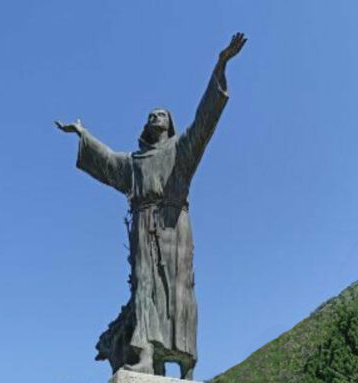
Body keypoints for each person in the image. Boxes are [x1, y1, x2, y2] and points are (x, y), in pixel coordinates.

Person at [55, 33, 247, 380]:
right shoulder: (136, 162)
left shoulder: (181, 151)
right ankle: (145, 353)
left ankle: (186, 362)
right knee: (145, 285)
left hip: (176, 224)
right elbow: (109, 161)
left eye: (161, 113)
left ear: (169, 124)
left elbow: (205, 120)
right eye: (151, 113)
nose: (155, 115)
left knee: (180, 289)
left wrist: (220, 67)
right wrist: (84, 135)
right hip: (144, 226)